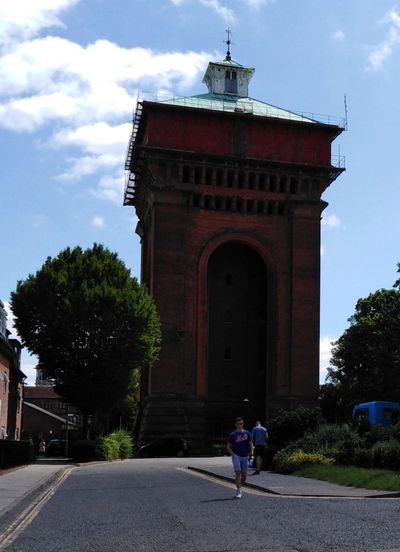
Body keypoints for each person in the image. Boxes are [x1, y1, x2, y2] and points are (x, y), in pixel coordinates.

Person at [227, 417, 254, 499]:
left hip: (245, 456)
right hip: (236, 455)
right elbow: (228, 446)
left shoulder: (247, 433)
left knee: (244, 475)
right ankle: (238, 490)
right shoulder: (232, 435)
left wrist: (252, 453)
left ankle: (240, 485)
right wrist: (232, 454)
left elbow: (250, 444)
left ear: (243, 424)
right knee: (238, 473)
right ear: (236, 425)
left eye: (241, 424)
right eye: (238, 424)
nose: (240, 425)